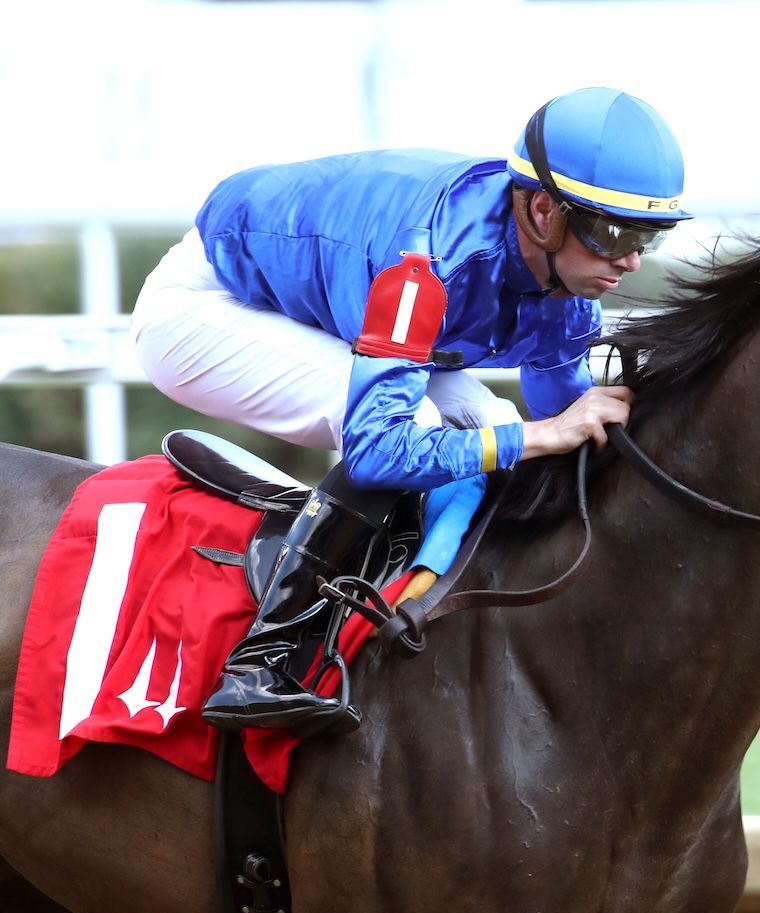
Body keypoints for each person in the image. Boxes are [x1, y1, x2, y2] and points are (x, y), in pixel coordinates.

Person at [129, 86, 692, 735]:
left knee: (495, 425)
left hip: (327, 302)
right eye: (615, 232)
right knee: (419, 430)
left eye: (649, 237)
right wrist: (538, 435)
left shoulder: (567, 284)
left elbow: (564, 420)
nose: (631, 260)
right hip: (206, 308)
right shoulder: (427, 264)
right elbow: (377, 452)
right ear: (543, 211)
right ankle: (264, 661)